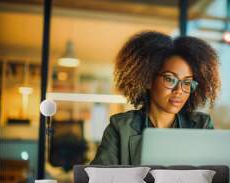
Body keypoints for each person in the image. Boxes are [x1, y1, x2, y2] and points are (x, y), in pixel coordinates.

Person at [91, 31, 221, 165]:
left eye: (187, 83)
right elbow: (99, 178)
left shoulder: (201, 126)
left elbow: (215, 177)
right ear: (147, 80)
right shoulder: (121, 128)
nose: (179, 91)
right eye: (170, 79)